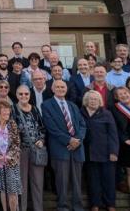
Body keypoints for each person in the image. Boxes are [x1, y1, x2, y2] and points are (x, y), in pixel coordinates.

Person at [41, 80, 86, 211]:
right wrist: (68, 140)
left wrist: (77, 140)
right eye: (58, 87)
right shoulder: (46, 105)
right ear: (53, 89)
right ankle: (63, 207)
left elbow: (82, 125)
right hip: (60, 148)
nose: (60, 89)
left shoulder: (72, 105)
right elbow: (51, 127)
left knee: (77, 181)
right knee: (62, 182)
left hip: (77, 148)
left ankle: (78, 207)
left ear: (66, 89)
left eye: (63, 87)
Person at [81, 91, 118, 211]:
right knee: (93, 180)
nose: (93, 101)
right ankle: (95, 204)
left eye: (95, 99)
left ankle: (110, 204)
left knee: (109, 180)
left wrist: (114, 152)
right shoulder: (80, 113)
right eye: (90, 99)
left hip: (106, 152)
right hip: (88, 152)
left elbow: (113, 134)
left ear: (100, 101)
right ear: (86, 100)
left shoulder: (106, 114)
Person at [13, 85, 46, 211]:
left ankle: (38, 208)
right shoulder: (12, 110)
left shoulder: (35, 109)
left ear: (29, 95)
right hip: (20, 151)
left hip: (37, 150)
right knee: (21, 183)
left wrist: (41, 140)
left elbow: (42, 128)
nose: (24, 96)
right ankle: (22, 208)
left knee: (38, 182)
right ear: (16, 95)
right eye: (21, 94)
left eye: (26, 94)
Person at [0, 100, 21, 211]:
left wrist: (9, 156)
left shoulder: (12, 124)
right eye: (4, 110)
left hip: (11, 162)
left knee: (13, 191)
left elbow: (16, 143)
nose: (7, 112)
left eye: (8, 110)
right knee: (2, 189)